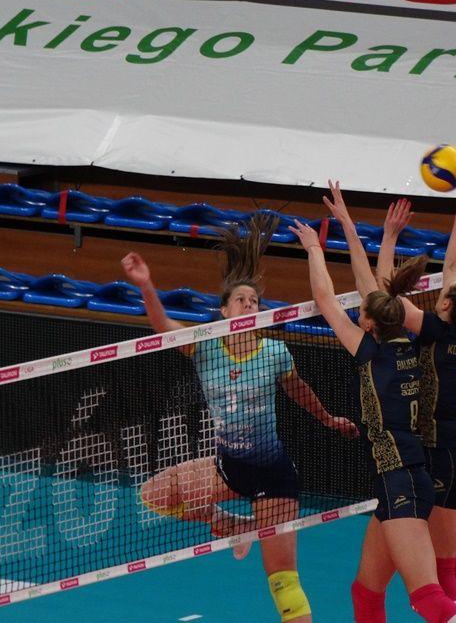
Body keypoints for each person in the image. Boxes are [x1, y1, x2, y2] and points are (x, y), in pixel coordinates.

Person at [121, 214, 358, 623]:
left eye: (254, 301)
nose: (249, 305)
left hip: (273, 478)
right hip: (227, 469)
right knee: (155, 494)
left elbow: (299, 391)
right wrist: (145, 285)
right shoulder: (205, 348)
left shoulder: (274, 353)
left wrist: (329, 419)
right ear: (224, 311)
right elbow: (163, 327)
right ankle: (232, 524)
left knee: (283, 584)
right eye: (241, 300)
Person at [289, 180, 456, 623]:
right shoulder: (407, 343)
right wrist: (349, 226)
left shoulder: (370, 354)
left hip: (401, 481)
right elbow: (371, 287)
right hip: (406, 479)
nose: (357, 310)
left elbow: (325, 299)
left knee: (426, 597)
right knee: (366, 593)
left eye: (361, 311)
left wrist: (314, 249)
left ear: (368, 323)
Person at [375, 181, 456, 623]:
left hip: (444, 456)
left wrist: (389, 238)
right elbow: (454, 266)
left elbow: (384, 297)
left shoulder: (435, 330)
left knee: (444, 569)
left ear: (445, 303)